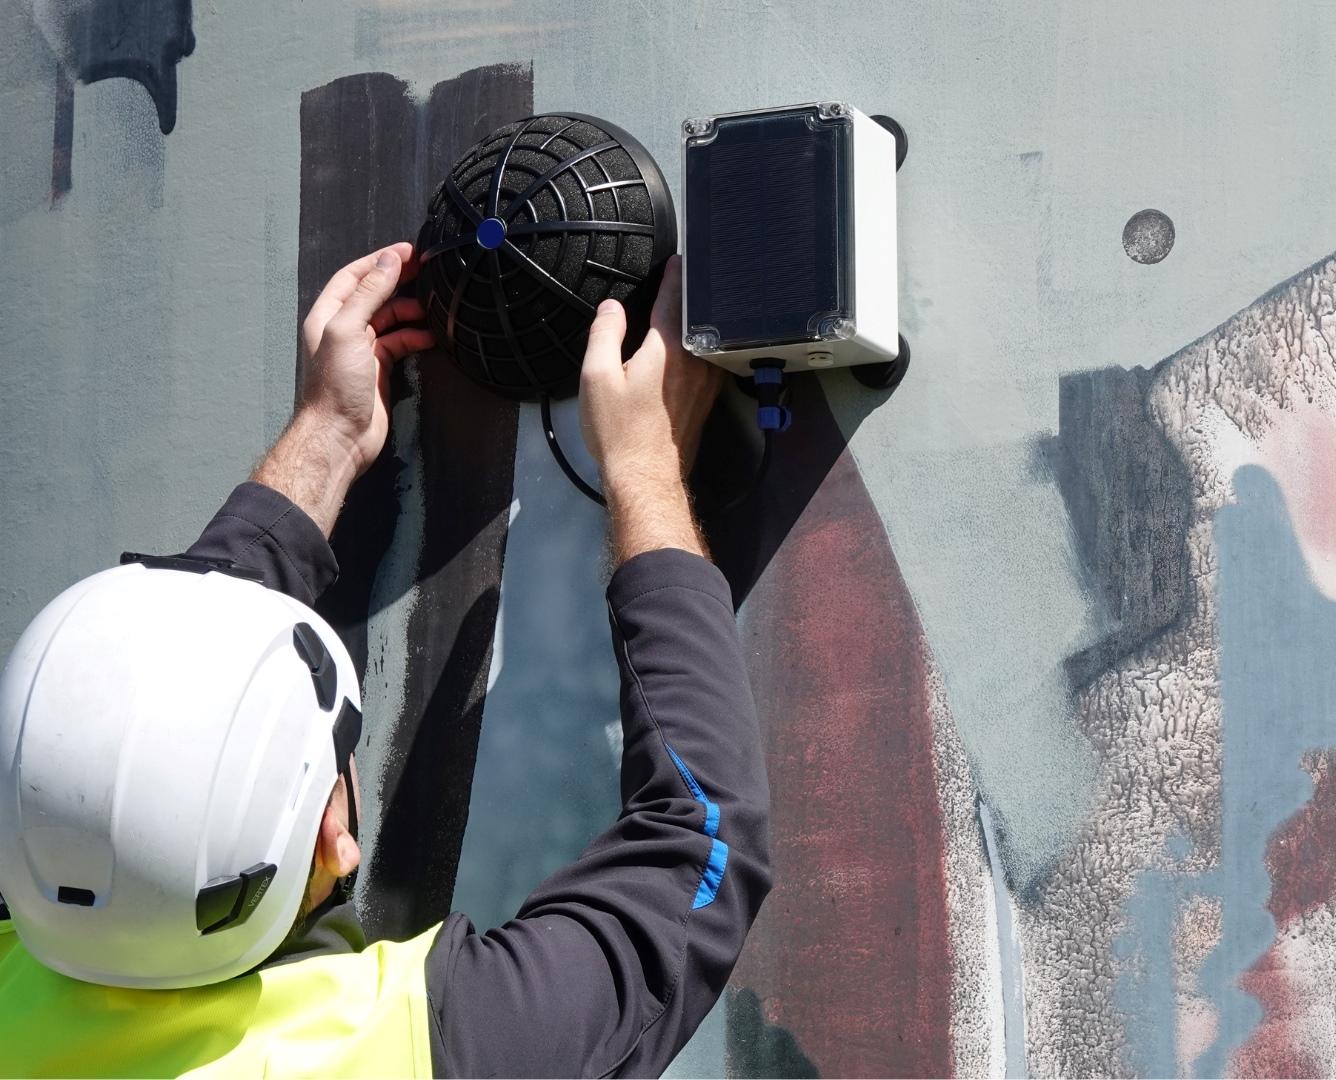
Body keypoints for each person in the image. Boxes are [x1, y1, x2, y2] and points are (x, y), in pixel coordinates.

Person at [0, 242, 770, 1077]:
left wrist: (328, 433)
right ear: (335, 840)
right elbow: (700, 843)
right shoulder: (421, 1049)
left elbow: (143, 700)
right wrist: (647, 465)